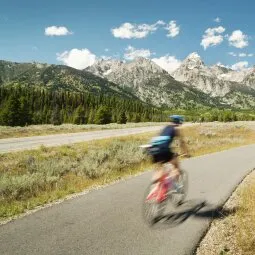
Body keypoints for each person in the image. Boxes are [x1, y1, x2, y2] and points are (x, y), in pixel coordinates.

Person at [147, 115, 189, 200]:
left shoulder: (165, 127)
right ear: (179, 122)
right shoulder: (176, 129)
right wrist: (186, 153)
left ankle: (156, 187)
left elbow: (160, 139)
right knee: (176, 165)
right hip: (164, 150)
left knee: (160, 170)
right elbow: (182, 143)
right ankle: (175, 187)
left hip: (154, 149)